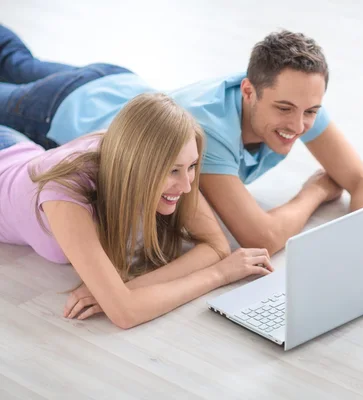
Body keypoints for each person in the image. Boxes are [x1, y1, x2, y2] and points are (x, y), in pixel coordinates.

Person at [0, 25, 363, 255]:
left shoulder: (296, 97)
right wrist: (315, 191)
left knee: (12, 60)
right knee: (12, 66)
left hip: (111, 82)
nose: (300, 125)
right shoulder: (206, 131)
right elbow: (261, 237)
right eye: (286, 110)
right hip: (58, 110)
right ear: (250, 91)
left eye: (311, 112)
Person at [0, 93, 273, 329]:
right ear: (136, 166)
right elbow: (126, 313)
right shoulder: (66, 193)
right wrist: (220, 275)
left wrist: (123, 290)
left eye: (191, 166)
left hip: (19, 148)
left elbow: (216, 246)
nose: (188, 186)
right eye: (173, 171)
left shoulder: (144, 153)